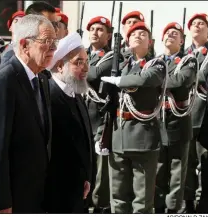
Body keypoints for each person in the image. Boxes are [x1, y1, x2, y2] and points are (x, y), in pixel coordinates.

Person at [0, 14, 55, 213]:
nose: (54, 48)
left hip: (33, 193)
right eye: (47, 42)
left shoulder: (41, 79)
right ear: (25, 45)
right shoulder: (3, 80)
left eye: (55, 42)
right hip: (9, 199)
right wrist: (0, 203)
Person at [100, 22, 166, 213]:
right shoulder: (119, 66)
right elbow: (108, 103)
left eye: (143, 34)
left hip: (142, 138)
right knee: (118, 198)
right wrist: (100, 135)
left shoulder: (157, 64)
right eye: (133, 33)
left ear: (151, 42)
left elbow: (145, 79)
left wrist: (119, 81)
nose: (138, 35)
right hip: (118, 136)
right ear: (127, 41)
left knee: (142, 201)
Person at [45, 32, 92, 213]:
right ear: (59, 66)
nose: (85, 68)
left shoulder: (75, 94)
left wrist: (87, 178)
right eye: (78, 62)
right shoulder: (49, 96)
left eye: (86, 62)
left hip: (79, 191)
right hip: (56, 193)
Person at [154, 22, 198, 214]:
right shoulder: (154, 61)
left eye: (176, 34)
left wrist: (152, 81)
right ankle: (159, 206)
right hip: (157, 122)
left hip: (177, 123)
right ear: (162, 39)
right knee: (158, 169)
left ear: (182, 41)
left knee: (177, 172)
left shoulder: (189, 60)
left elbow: (181, 81)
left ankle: (173, 210)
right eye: (167, 33)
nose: (170, 35)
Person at [84, 15, 112, 213]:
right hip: (80, 116)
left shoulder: (111, 56)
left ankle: (98, 206)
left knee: (100, 169)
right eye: (92, 28)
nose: (95, 32)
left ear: (108, 36)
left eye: (100, 29)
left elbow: (95, 73)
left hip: (99, 117)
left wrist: (73, 65)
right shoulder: (82, 53)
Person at [183, 13, 208, 213]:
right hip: (185, 117)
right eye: (194, 24)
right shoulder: (183, 54)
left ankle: (205, 204)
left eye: (202, 23)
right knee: (187, 164)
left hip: (206, 119)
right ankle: (189, 203)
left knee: (206, 165)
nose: (197, 26)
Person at [1, 1, 59, 66]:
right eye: (51, 24)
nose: (57, 29)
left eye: (57, 24)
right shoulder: (12, 57)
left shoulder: (42, 57)